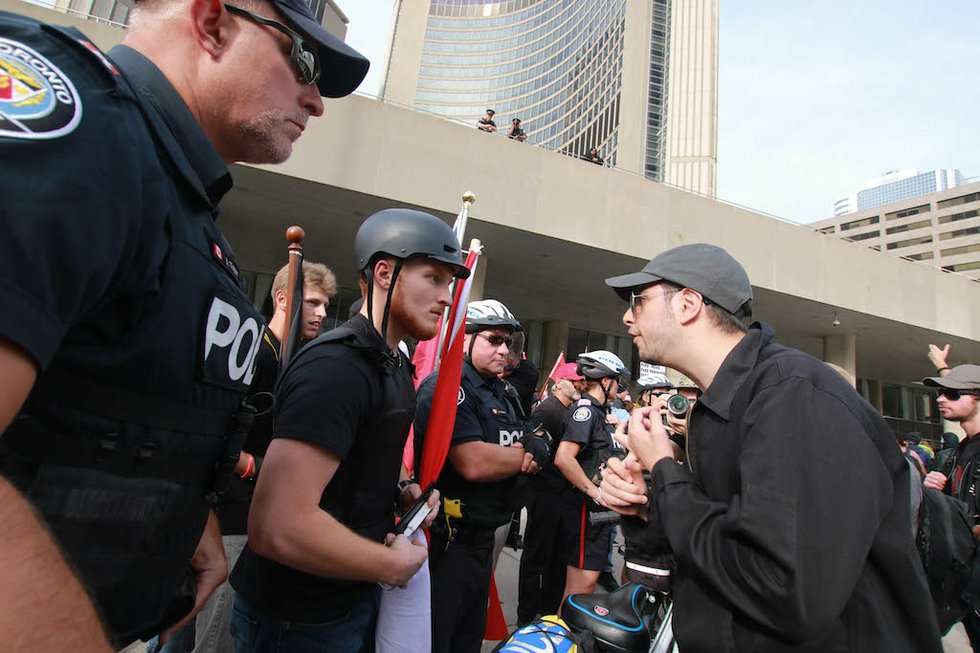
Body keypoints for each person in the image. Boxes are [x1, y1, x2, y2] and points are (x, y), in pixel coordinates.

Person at [0, 2, 368, 649]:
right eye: (304, 62)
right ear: (211, 21)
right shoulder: (75, 113)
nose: (315, 101)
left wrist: (177, 503)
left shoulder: (180, 204)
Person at [599, 243, 942, 652]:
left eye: (639, 300)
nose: (627, 316)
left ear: (688, 303)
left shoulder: (794, 396)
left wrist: (666, 471)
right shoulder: (717, 407)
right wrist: (646, 505)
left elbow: (783, 587)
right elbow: (718, 542)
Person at [228, 209, 464, 651]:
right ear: (383, 272)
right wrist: (388, 566)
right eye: (433, 277)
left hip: (349, 600)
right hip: (296, 620)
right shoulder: (336, 367)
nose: (446, 297)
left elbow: (364, 453)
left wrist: (403, 488)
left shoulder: (392, 364)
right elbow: (277, 524)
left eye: (449, 283)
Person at [414, 299, 549, 653]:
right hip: (448, 543)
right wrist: (525, 455)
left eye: (508, 342)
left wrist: (533, 443)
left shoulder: (503, 390)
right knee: (436, 640)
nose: (504, 350)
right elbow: (474, 462)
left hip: (484, 538)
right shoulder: (447, 387)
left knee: (468, 640)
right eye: (493, 340)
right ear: (465, 339)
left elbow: (528, 432)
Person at [553, 351, 628, 604]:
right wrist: (594, 492)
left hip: (598, 514)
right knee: (580, 588)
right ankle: (562, 640)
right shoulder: (585, 412)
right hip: (586, 511)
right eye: (618, 380)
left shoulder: (600, 413)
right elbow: (564, 457)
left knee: (587, 583)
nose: (621, 386)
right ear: (606, 381)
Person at [517, 362, 584, 624]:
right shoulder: (547, 411)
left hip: (561, 497)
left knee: (556, 560)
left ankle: (547, 612)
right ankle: (526, 616)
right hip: (544, 495)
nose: (579, 384)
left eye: (581, 380)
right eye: (574, 380)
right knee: (537, 556)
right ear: (559, 382)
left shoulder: (570, 411)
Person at [921, 364, 980, 648]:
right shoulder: (952, 454)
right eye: (941, 393)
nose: (940, 399)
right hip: (963, 580)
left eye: (952, 393)